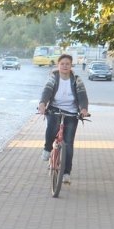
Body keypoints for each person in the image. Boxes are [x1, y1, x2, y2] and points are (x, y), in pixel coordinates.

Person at [37, 54, 89, 184]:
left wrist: (83, 109)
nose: (65, 66)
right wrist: (42, 104)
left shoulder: (76, 80)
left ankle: (66, 173)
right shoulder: (53, 77)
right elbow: (47, 91)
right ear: (58, 65)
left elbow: (82, 95)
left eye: (67, 64)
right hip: (54, 109)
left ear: (71, 66)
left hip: (71, 112)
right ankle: (47, 148)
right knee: (53, 127)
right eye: (62, 64)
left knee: (68, 143)